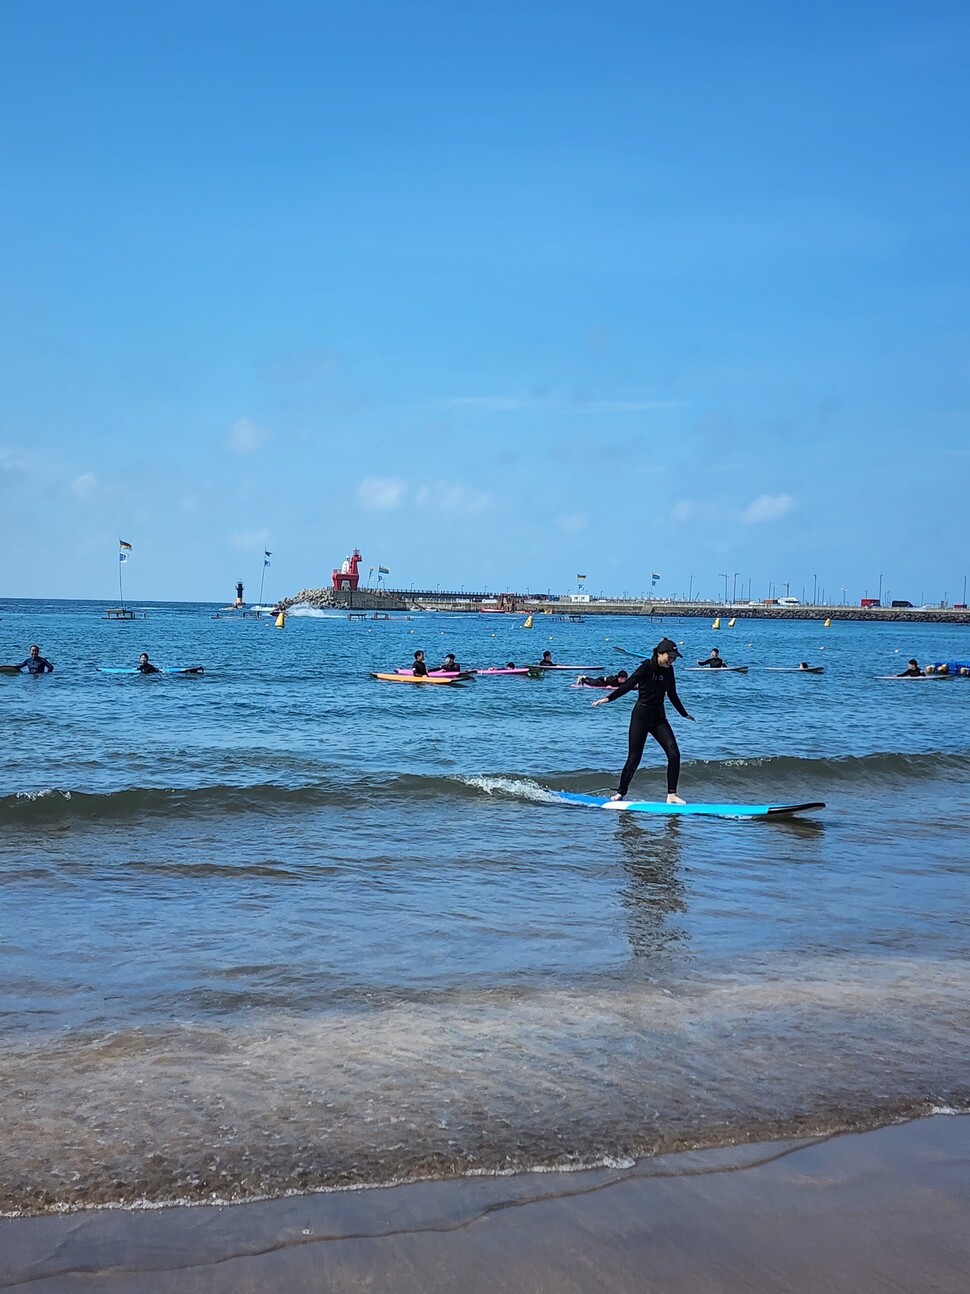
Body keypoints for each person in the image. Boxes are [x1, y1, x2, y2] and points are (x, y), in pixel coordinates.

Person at [591, 637, 695, 804]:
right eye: (670, 657)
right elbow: (628, 685)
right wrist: (608, 699)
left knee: (674, 754)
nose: (672, 661)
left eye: (674, 658)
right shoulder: (646, 667)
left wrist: (684, 714)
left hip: (659, 718)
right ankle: (620, 793)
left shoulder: (669, 671)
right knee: (634, 758)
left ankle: (671, 795)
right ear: (660, 654)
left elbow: (672, 693)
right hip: (641, 717)